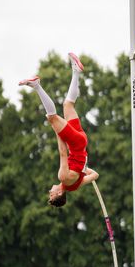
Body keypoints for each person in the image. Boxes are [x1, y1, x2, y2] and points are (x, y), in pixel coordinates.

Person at [19, 53, 99, 207]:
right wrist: (56, 130)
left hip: (82, 141)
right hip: (75, 143)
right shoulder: (63, 177)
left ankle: (76, 71)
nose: (51, 189)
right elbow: (63, 152)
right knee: (52, 117)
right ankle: (37, 86)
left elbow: (95, 175)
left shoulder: (75, 186)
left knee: (68, 105)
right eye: (51, 193)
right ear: (59, 194)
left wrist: (84, 167)